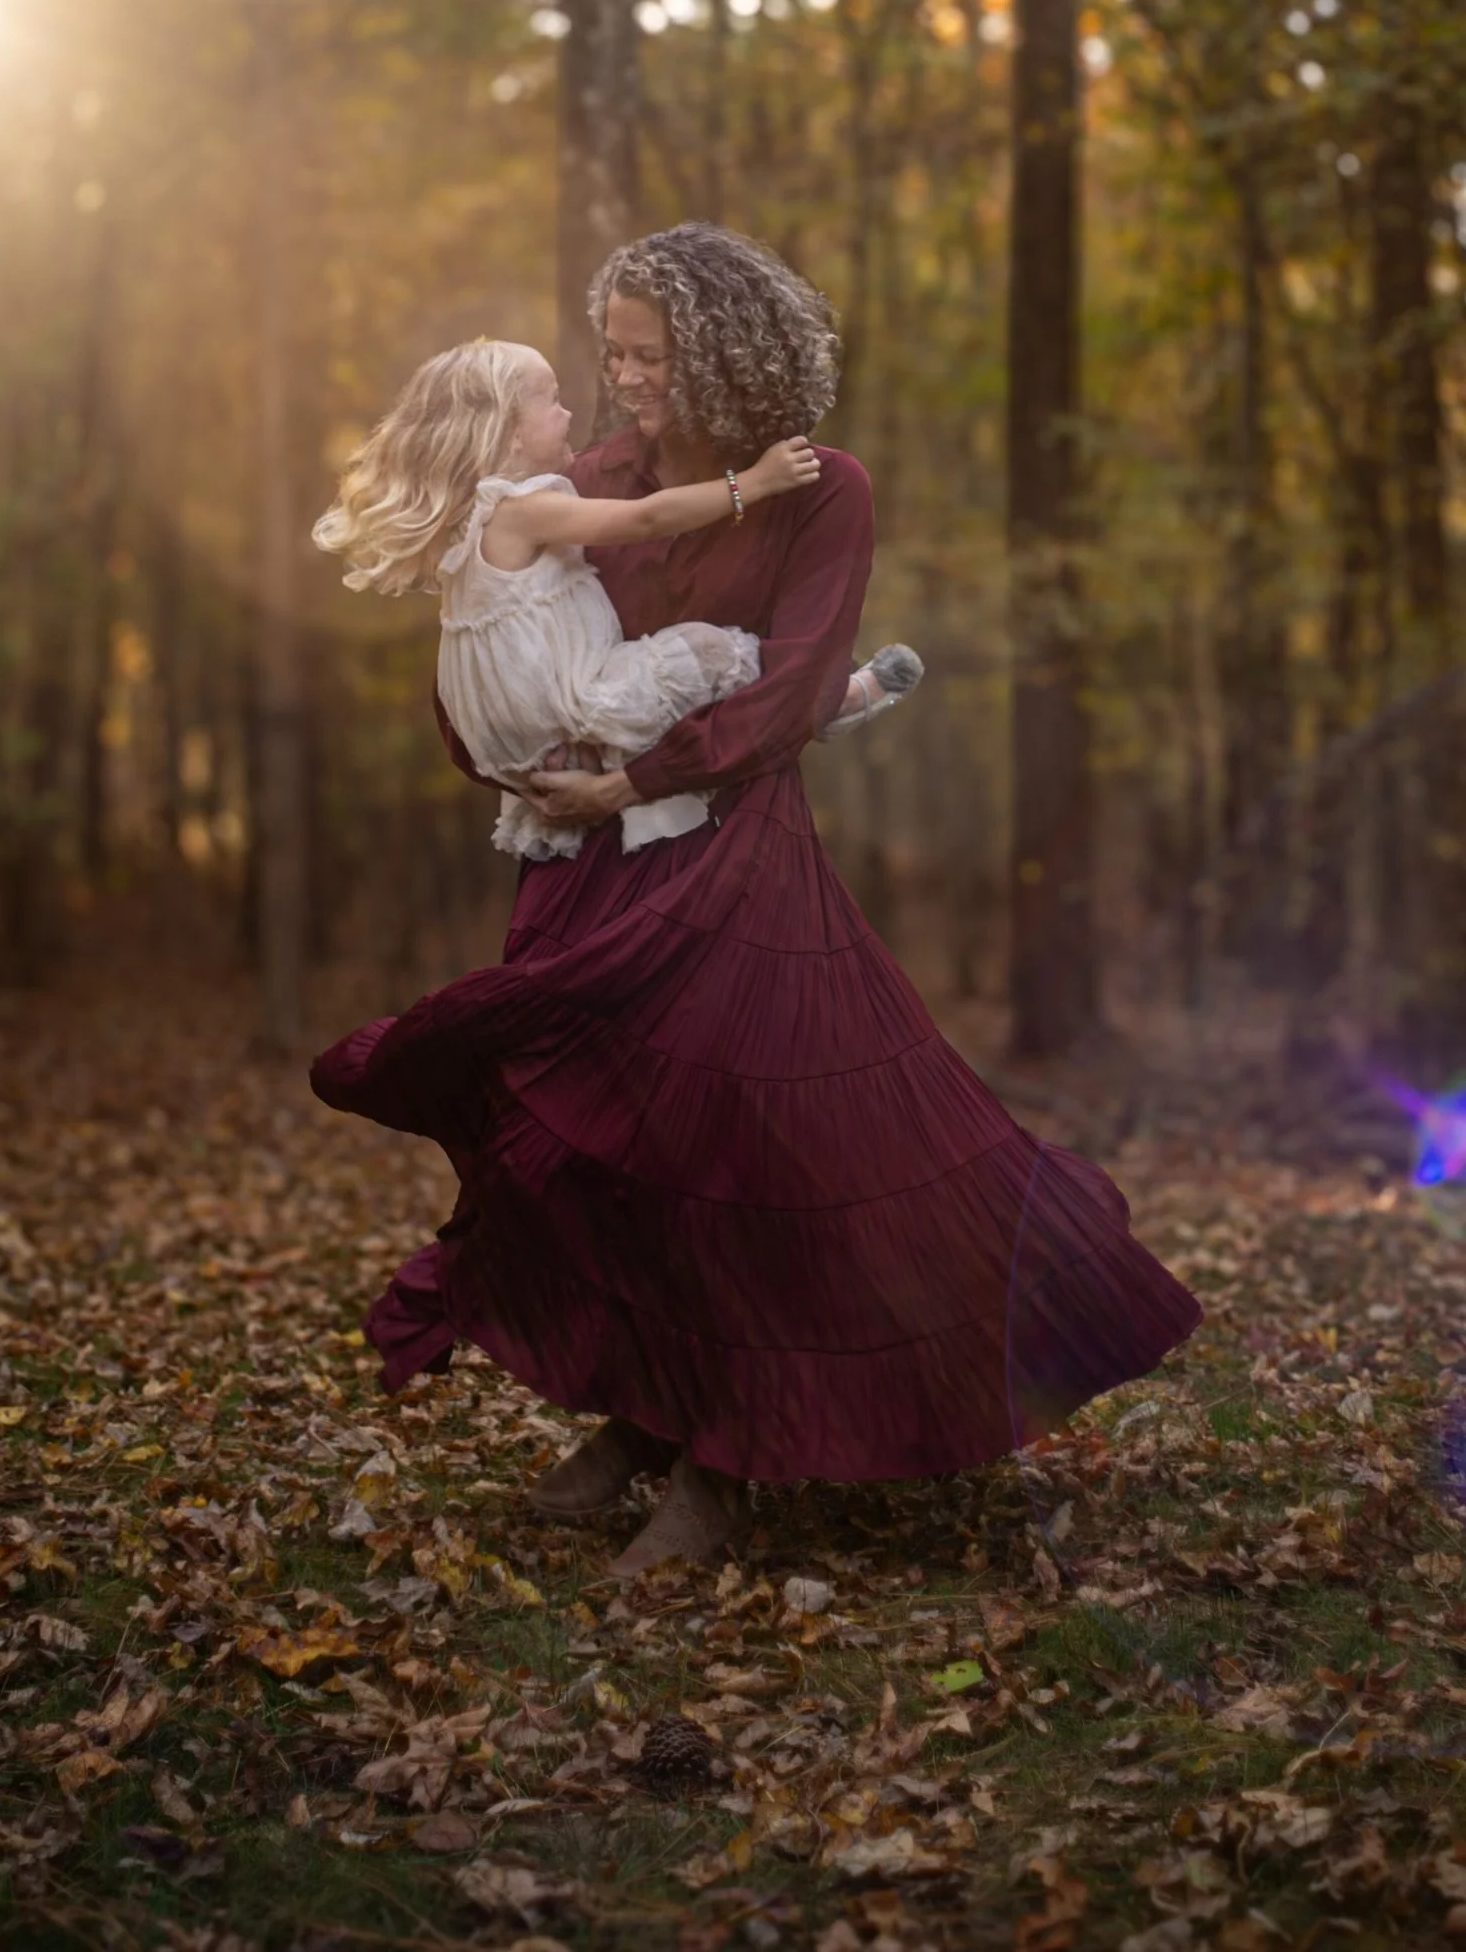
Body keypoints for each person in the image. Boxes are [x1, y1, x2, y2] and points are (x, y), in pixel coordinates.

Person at [311, 223, 1201, 1576]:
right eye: (610, 351)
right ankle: (645, 1414)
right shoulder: (586, 473)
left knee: (745, 1155)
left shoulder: (818, 490)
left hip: (732, 856)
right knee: (615, 1158)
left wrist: (643, 777)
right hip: (585, 868)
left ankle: (728, 1458)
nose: (624, 379)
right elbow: (491, 623)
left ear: (728, 350)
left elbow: (790, 688)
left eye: (650, 353)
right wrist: (509, 759)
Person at [312, 338, 921, 864]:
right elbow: (647, 517)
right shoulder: (522, 510)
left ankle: (649, 787)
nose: (570, 410)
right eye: (550, 400)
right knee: (705, 652)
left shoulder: (469, 524)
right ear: (507, 430)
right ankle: (825, 698)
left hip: (511, 731)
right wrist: (752, 484)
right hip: (575, 698)